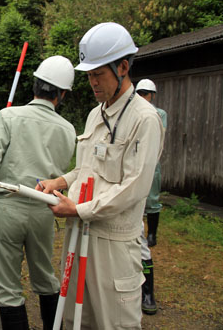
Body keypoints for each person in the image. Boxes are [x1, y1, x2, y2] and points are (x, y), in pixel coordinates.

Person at [39, 23, 165, 329]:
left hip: (114, 243)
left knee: (113, 322)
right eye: (89, 75)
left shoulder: (144, 119)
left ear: (123, 67)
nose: (92, 82)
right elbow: (87, 168)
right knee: (76, 320)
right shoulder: (96, 113)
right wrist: (60, 182)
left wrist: (78, 208)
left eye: (99, 74)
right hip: (78, 233)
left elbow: (134, 187)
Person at [0, 56, 77, 329]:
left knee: (8, 287)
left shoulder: (7, 116)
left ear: (35, 85)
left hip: (8, 206)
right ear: (62, 94)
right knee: (45, 277)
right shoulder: (68, 129)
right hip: (45, 210)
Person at [136, 78, 167, 316]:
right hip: (123, 184)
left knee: (141, 244)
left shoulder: (155, 116)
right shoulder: (127, 113)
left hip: (146, 171)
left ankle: (148, 292)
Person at [137, 78, 167, 248]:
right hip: (134, 160)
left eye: (145, 94)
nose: (142, 96)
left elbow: (158, 136)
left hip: (152, 161)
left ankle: (152, 234)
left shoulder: (159, 114)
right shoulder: (132, 112)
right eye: (139, 93)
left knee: (152, 198)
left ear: (152, 96)